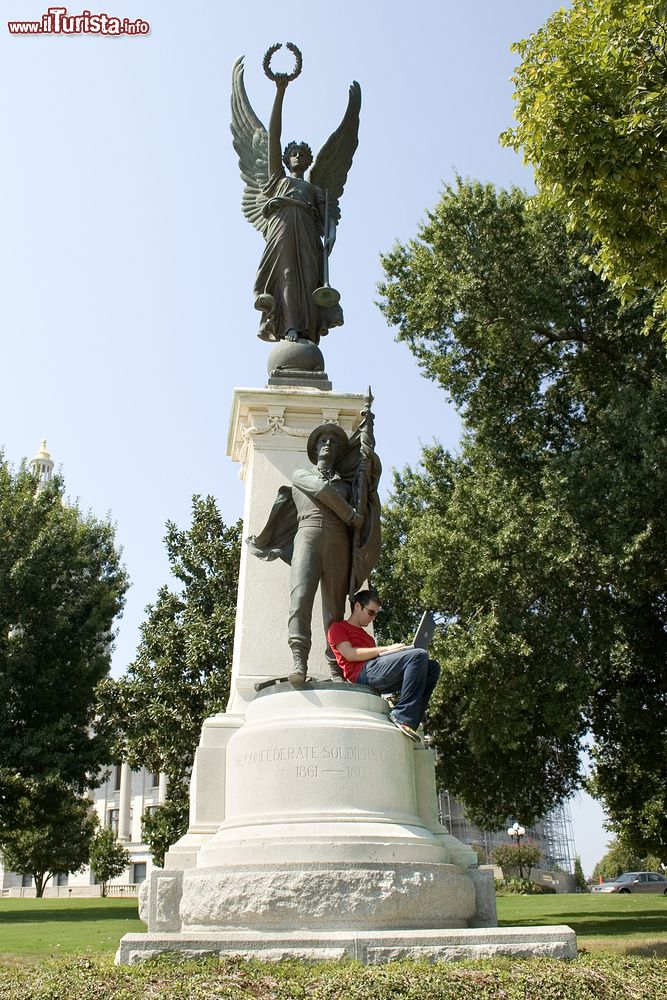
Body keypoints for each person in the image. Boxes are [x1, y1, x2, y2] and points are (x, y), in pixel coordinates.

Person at [248, 422, 375, 686]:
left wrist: (366, 470)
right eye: (323, 440)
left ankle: (336, 666)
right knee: (301, 599)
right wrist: (351, 515)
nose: (328, 444)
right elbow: (323, 491)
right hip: (307, 538)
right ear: (315, 448)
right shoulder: (301, 475)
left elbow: (366, 493)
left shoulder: (347, 485)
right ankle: (299, 661)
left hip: (338, 544)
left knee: (335, 610)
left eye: (334, 441)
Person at [253, 78, 343, 344]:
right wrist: (280, 92)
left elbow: (328, 218)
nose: (298, 155)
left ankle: (306, 329)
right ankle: (289, 326)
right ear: (285, 157)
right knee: (287, 275)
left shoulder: (314, 189)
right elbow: (273, 136)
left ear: (309, 160)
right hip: (282, 224)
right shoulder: (278, 179)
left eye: (303, 153)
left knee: (307, 279)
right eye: (293, 152)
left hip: (305, 228)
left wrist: (331, 232)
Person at [327, 589, 440, 742]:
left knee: (432, 667)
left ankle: (411, 720)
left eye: (376, 614)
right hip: (361, 675)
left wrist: (399, 653)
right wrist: (388, 649)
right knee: (418, 655)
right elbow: (350, 654)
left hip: (375, 673)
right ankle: (401, 717)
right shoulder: (338, 628)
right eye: (371, 612)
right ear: (358, 607)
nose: (372, 618)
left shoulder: (368, 638)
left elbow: (378, 660)